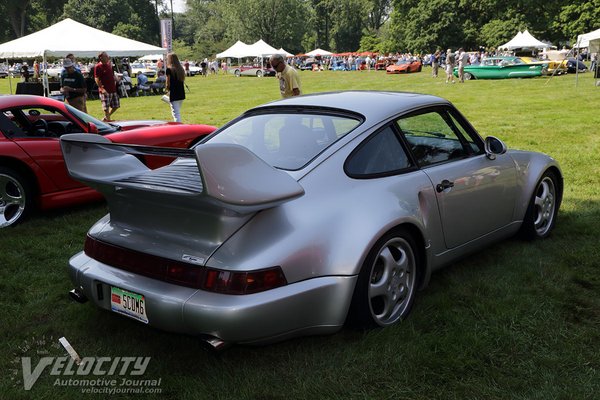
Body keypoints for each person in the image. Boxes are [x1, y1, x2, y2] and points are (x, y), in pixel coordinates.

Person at [94, 51, 119, 121]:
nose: (108, 57)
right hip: (105, 89)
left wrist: (116, 79)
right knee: (106, 107)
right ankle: (108, 120)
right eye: (106, 56)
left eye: (107, 56)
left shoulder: (109, 65)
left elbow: (112, 75)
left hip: (113, 89)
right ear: (100, 58)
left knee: (116, 105)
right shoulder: (98, 66)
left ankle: (106, 118)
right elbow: (96, 78)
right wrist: (101, 88)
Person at [165, 52, 186, 122]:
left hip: (174, 93)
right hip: (181, 93)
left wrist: (167, 90)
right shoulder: (181, 69)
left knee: (176, 114)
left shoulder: (169, 70)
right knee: (177, 112)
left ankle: (179, 128)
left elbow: (168, 83)